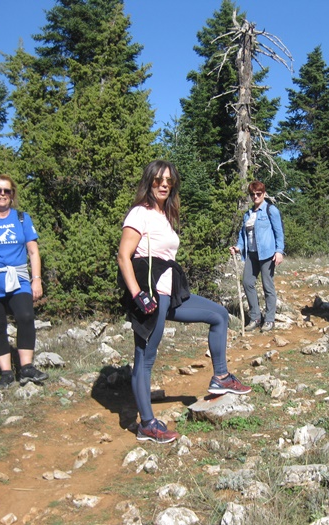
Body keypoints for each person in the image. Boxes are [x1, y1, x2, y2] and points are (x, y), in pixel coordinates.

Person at [118, 160, 251, 445]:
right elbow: (123, 256)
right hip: (150, 297)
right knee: (144, 359)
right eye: (158, 180)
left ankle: (221, 377)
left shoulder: (165, 215)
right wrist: (137, 295)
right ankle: (147, 424)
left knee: (218, 315)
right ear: (149, 182)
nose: (164, 184)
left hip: (170, 293)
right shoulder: (139, 213)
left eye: (169, 181)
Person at [0, 175, 49, 391]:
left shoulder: (22, 218)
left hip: (19, 278)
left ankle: (27, 368)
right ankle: (5, 373)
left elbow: (33, 251)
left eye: (6, 191)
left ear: (12, 195)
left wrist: (37, 279)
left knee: (25, 316)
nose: (2, 194)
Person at [229, 181, 285, 333]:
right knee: (247, 283)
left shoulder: (270, 210)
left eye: (258, 194)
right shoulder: (248, 214)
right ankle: (255, 317)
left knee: (268, 286)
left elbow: (279, 231)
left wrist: (279, 251)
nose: (255, 196)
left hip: (267, 253)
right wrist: (238, 247)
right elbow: (243, 235)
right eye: (252, 194)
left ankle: (269, 319)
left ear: (264, 194)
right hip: (252, 254)